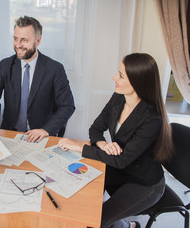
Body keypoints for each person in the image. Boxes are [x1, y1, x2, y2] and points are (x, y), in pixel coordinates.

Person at [58, 53, 174, 228]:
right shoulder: (118, 98)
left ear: (137, 81)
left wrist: (80, 147)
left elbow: (120, 160)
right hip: (121, 168)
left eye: (121, 75)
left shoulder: (151, 119)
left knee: (96, 222)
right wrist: (104, 144)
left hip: (144, 183)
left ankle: (128, 226)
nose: (114, 78)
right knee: (81, 199)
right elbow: (95, 129)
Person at [0, 16, 75, 142]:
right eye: (15, 39)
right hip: (10, 133)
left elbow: (67, 106)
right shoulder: (5, 65)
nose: (18, 45)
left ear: (38, 41)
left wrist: (45, 129)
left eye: (24, 40)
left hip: (40, 135)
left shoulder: (54, 69)